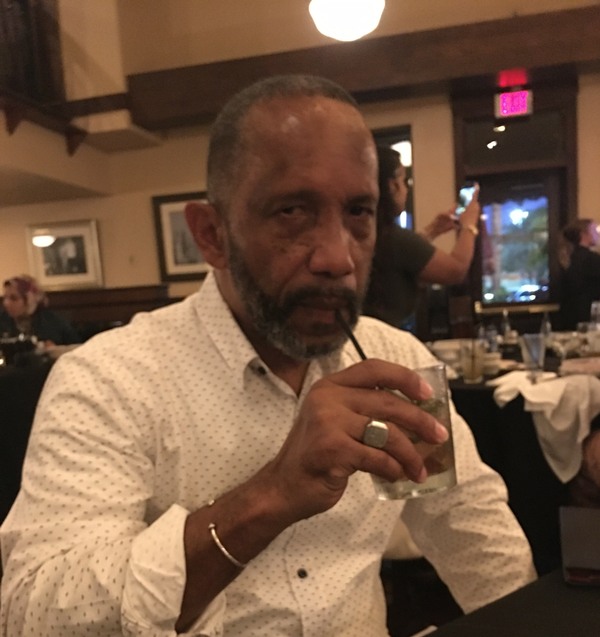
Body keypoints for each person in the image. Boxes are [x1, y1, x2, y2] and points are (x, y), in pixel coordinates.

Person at [0, 75, 535, 636]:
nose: (338, 259)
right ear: (212, 234)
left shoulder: (393, 357)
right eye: (292, 211)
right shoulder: (110, 378)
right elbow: (36, 615)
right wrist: (270, 495)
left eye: (359, 212)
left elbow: (472, 532)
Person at [363, 145, 481, 329]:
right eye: (404, 181)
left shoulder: (371, 231)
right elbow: (456, 271)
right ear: (392, 186)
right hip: (390, 336)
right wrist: (469, 225)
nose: (406, 189)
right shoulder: (394, 236)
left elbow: (407, 257)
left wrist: (433, 230)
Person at [0, 275, 80, 346]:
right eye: (5, 298)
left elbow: (75, 349)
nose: (6, 303)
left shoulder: (53, 323)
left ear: (31, 298)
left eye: (14, 298)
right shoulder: (2, 320)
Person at [557, 218, 600, 330]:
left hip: (570, 319)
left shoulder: (570, 258)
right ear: (584, 234)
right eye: (595, 230)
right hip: (590, 320)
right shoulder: (592, 260)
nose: (598, 234)